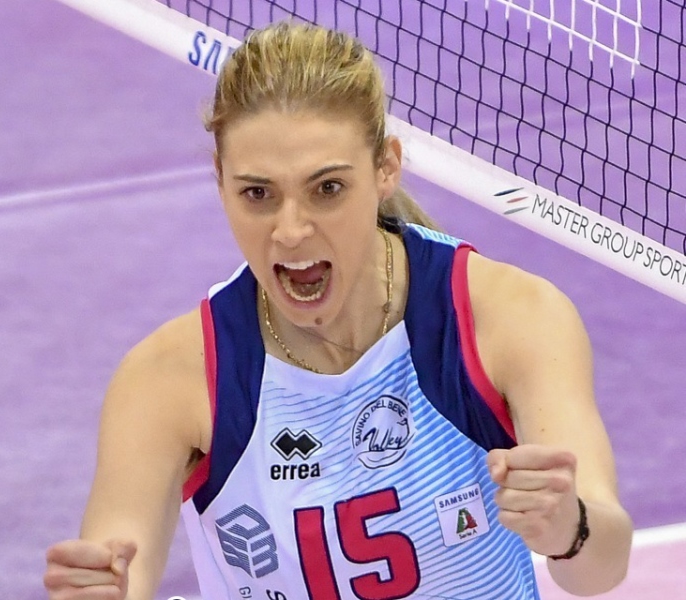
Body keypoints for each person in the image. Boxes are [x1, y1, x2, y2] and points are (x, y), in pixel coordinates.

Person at [44, 21, 632, 600]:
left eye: (326, 189)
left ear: (386, 168)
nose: (291, 231)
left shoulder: (507, 317)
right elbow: (118, 566)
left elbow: (600, 569)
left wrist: (570, 528)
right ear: (219, 181)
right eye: (258, 194)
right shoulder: (171, 379)